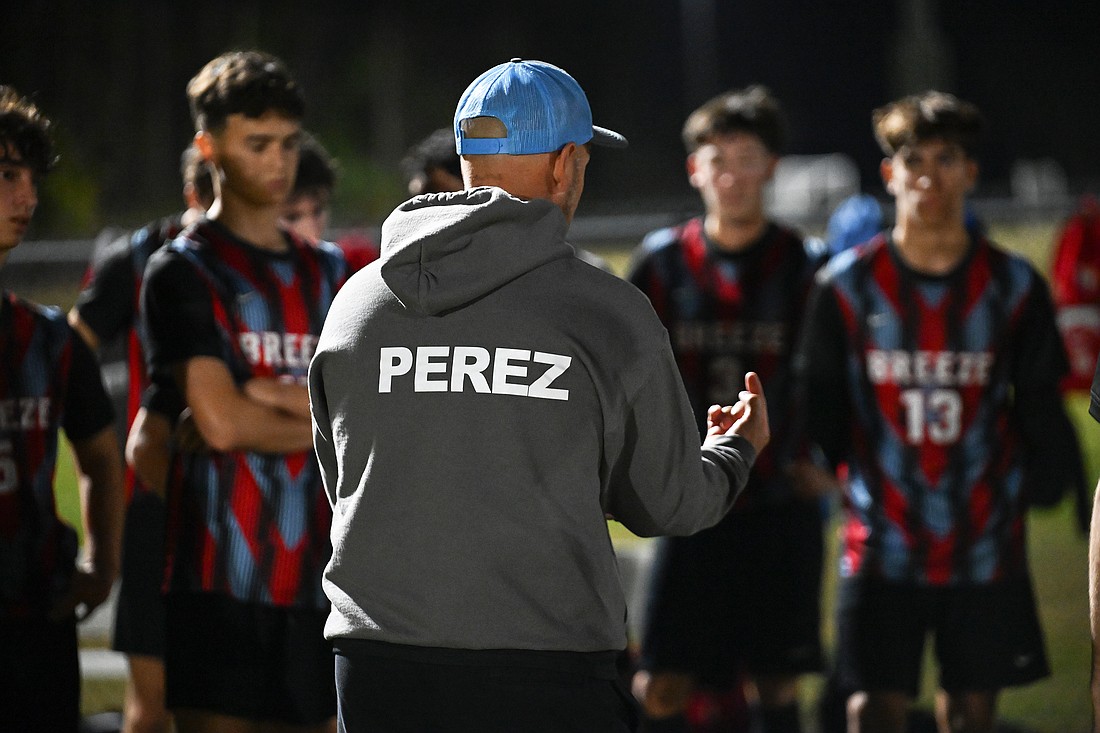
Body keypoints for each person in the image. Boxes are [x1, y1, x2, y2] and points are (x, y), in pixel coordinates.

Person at [308, 58, 771, 733]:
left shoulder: (358, 303)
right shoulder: (605, 311)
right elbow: (667, 500)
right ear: (563, 165)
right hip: (545, 664)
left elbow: (344, 477)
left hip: (377, 664)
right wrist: (733, 450)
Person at [799, 91, 1084, 733]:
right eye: (914, 160)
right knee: (870, 706)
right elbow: (818, 399)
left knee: (974, 709)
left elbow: (1040, 399)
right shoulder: (845, 286)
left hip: (985, 538)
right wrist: (829, 468)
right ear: (889, 174)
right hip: (878, 539)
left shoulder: (1013, 285)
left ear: (970, 172)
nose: (929, 176)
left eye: (946, 159)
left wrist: (1050, 477)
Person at [139, 50, 346, 733]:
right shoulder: (183, 270)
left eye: (288, 143)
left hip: (322, 581)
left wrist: (257, 394)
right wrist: (325, 423)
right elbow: (222, 424)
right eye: (257, 144)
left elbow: (368, 414)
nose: (278, 162)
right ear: (209, 148)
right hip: (214, 582)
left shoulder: (331, 273)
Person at [627, 86, 826, 733]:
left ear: (772, 166)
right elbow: (623, 375)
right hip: (689, 502)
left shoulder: (807, 266)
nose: (731, 176)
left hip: (779, 503)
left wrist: (828, 460)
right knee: (661, 682)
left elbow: (836, 377)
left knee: (777, 681)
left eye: (746, 159)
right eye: (718, 160)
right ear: (695, 168)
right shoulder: (660, 263)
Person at [68, 144, 213, 733]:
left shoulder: (268, 262)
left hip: (240, 500)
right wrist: (99, 430)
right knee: (151, 703)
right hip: (152, 494)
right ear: (193, 194)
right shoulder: (141, 256)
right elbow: (70, 351)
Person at [0, 85, 124, 733]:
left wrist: (101, 564)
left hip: (34, 621)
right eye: (7, 176)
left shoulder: (48, 338)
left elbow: (103, 458)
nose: (28, 198)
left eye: (30, 179)